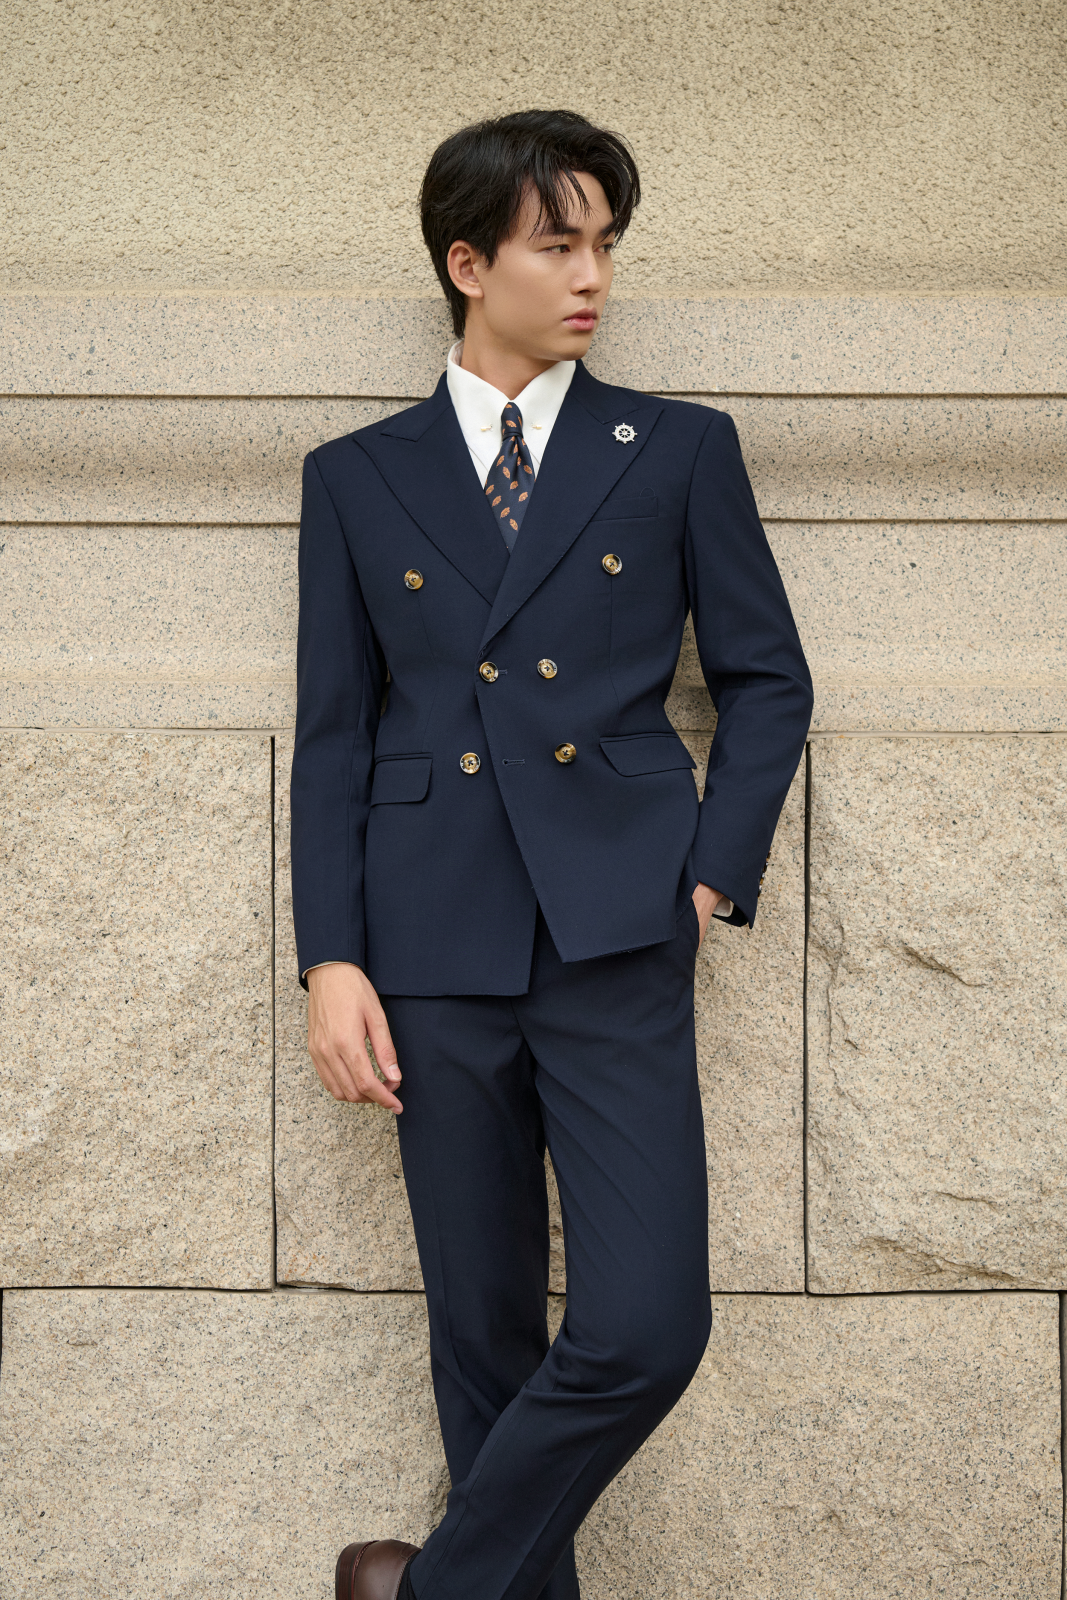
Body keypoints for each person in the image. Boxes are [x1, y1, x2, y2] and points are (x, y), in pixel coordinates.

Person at [290, 108, 813, 1600]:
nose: (592, 276)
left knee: (647, 1324)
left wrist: (708, 873)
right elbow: (335, 734)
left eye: (605, 245)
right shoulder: (358, 474)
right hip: (428, 942)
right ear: (469, 264)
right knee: (485, 1336)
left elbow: (767, 681)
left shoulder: (677, 448)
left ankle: (427, 1588)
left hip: (615, 929)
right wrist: (331, 960)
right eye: (556, 243)